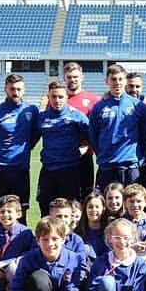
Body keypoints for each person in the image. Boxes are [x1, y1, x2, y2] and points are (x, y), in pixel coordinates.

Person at [0, 74, 40, 225]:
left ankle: (22, 247)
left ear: (24, 90)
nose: (16, 92)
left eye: (19, 89)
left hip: (20, 170)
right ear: (5, 89)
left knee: (20, 215)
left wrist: (26, 149)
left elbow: (35, 133)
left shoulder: (31, 111)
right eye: (12, 89)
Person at [88, 64, 146, 190]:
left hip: (130, 166)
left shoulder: (138, 106)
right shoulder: (99, 107)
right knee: (107, 206)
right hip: (106, 166)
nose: (117, 83)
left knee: (131, 205)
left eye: (120, 79)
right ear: (107, 81)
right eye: (113, 79)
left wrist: (135, 155)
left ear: (125, 81)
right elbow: (93, 135)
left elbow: (145, 135)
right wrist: (103, 153)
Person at [36, 80, 89, 217]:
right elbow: (31, 139)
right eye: (54, 96)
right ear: (49, 97)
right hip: (48, 170)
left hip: (69, 171)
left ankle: (70, 238)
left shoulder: (77, 117)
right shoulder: (42, 118)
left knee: (69, 211)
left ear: (66, 97)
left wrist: (86, 147)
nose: (57, 100)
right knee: (45, 209)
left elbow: (92, 137)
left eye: (60, 97)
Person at [0, 195, 35, 291]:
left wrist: (17, 260)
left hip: (17, 273)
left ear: (19, 214)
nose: (5, 215)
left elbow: (32, 253)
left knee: (12, 268)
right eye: (2, 212)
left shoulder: (25, 233)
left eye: (9, 211)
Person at [63, 62, 100, 198]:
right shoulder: (57, 99)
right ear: (64, 78)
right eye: (69, 77)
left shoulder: (92, 100)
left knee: (86, 197)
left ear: (82, 77)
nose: (72, 80)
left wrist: (87, 146)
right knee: (65, 197)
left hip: (84, 155)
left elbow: (96, 129)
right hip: (63, 156)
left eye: (75, 77)